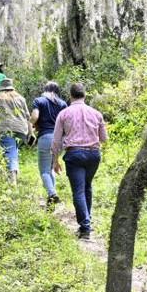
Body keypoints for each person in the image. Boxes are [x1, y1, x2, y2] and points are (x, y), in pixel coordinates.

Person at [51, 82, 107, 240]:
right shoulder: (96, 113)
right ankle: (86, 222)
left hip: (74, 154)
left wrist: (55, 160)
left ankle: (85, 228)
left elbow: (56, 141)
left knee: (79, 191)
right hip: (94, 154)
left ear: (70, 95)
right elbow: (104, 138)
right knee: (87, 186)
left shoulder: (64, 114)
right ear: (85, 95)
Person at [30, 81, 68, 206]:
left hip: (45, 137)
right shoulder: (63, 104)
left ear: (45, 89)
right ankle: (51, 198)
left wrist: (29, 125)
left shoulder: (39, 101)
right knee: (51, 168)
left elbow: (35, 116)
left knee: (44, 171)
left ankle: (52, 193)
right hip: (60, 139)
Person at [0, 78, 32, 184]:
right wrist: (30, 132)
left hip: (6, 128)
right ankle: (13, 173)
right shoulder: (21, 98)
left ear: (2, 88)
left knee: (9, 152)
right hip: (21, 129)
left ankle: (12, 179)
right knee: (13, 151)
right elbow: (27, 116)